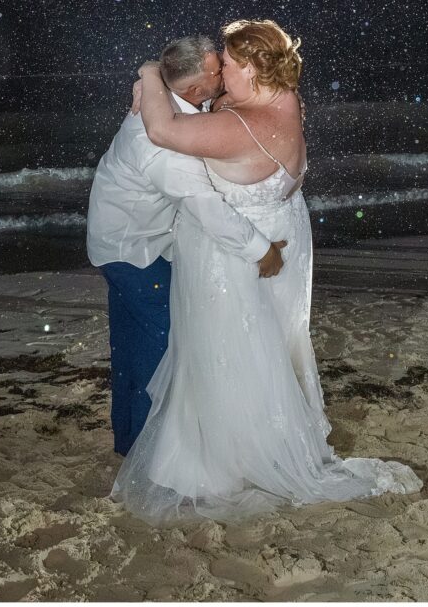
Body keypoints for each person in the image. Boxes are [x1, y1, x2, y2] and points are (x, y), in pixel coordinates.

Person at [111, 19, 423, 522]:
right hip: (286, 233)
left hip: (234, 257)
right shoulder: (284, 100)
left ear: (254, 68)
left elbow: (162, 130)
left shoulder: (244, 126)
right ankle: (270, 439)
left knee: (227, 350)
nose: (220, 75)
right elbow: (224, 104)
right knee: (269, 345)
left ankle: (227, 458)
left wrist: (150, 73)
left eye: (228, 66)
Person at [86, 34, 287, 457]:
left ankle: (128, 444)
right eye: (219, 70)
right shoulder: (163, 147)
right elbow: (206, 208)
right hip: (133, 251)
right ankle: (148, 451)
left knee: (130, 347)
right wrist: (261, 250)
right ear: (194, 89)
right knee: (164, 348)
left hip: (122, 241)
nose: (224, 73)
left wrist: (146, 70)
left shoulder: (175, 104)